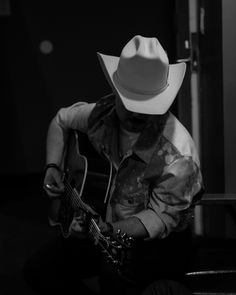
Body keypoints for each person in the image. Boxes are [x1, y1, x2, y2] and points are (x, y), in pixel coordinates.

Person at [23, 35, 203, 295]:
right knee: (38, 271)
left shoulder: (179, 154)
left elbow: (160, 218)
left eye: (147, 106)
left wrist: (108, 230)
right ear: (116, 91)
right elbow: (61, 120)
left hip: (155, 244)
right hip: (99, 224)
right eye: (130, 103)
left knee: (114, 278)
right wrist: (52, 166)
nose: (138, 113)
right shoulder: (101, 114)